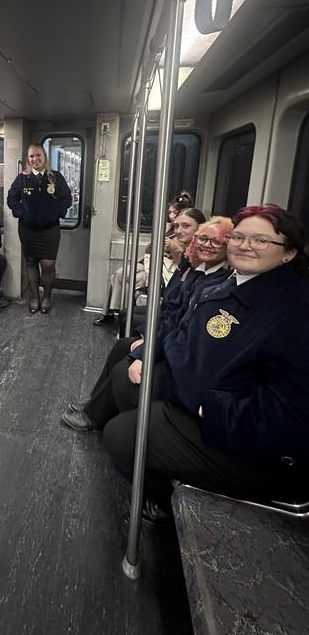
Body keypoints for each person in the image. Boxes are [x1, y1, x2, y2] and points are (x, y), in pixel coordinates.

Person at [104, 204, 309, 520]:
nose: (245, 245)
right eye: (239, 237)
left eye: (261, 240)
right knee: (127, 383)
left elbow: (292, 414)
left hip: (250, 442)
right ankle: (164, 475)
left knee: (121, 435)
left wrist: (210, 409)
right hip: (196, 390)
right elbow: (183, 331)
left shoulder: (292, 312)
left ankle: (166, 504)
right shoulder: (233, 284)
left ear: (289, 253)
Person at [62, 216, 232, 433]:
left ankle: (94, 416)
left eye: (216, 242)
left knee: (124, 361)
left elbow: (179, 322)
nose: (206, 245)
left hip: (179, 351)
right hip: (169, 333)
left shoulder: (216, 281)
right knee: (122, 346)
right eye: (203, 239)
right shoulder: (196, 268)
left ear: (228, 246)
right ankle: (95, 404)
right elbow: (171, 306)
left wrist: (147, 348)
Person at [93, 191, 195, 326]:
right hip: (150, 262)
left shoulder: (188, 237)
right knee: (119, 274)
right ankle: (110, 313)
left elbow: (182, 264)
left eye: (175, 213)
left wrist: (172, 247)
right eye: (169, 213)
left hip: (166, 270)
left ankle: (126, 317)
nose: (171, 216)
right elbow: (150, 250)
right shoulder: (167, 228)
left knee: (131, 280)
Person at [7, 143, 72, 313]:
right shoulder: (22, 179)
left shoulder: (55, 177)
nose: (35, 159)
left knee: (48, 265)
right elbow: (11, 199)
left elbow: (67, 198)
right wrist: (21, 212)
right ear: (28, 159)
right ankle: (35, 297)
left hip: (50, 229)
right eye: (31, 156)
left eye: (38, 155)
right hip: (28, 229)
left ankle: (47, 296)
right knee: (30, 262)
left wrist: (56, 211)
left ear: (44, 157)